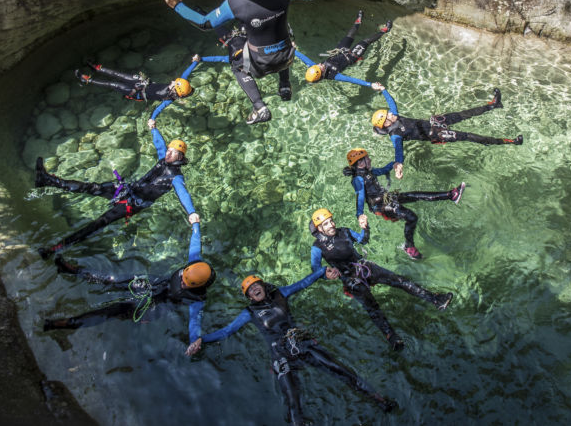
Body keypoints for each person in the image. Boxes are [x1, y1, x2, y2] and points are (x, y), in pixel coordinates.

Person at [188, 270, 396, 425]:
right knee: (292, 396)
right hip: (280, 354)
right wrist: (202, 340)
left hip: (301, 342)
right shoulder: (249, 313)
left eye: (257, 285)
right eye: (251, 290)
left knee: (339, 369)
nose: (255, 289)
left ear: (263, 285)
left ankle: (377, 398)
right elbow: (227, 331)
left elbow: (303, 283)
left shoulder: (280, 294)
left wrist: (323, 272)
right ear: (249, 296)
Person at [164, 0, 317, 124]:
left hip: (260, 64)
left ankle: (259, 107)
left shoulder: (235, 3)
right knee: (283, 37)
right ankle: (284, 86)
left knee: (237, 64)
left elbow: (204, 23)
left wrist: (177, 5)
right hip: (287, 57)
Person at [34, 107, 199, 259]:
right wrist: (153, 128)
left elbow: (182, 193)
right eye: (170, 150)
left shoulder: (176, 177)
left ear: (181, 157)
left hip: (132, 204)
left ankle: (53, 250)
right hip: (127, 190)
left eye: (174, 152)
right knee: (92, 187)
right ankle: (47, 180)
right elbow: (159, 144)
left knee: (99, 223)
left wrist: (191, 212)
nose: (169, 153)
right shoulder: (164, 158)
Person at [42, 222, 214, 346]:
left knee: (111, 310)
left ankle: (65, 324)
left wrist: (195, 339)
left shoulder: (198, 299)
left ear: (197, 286)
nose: (182, 283)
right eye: (183, 278)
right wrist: (196, 225)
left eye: (185, 284)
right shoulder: (195, 265)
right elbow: (195, 246)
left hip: (155, 306)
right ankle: (72, 270)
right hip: (154, 283)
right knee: (113, 281)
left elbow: (194, 321)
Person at [308, 208, 451, 350]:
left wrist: (365, 227)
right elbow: (316, 269)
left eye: (331, 221)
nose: (332, 224)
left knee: (400, 281)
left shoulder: (344, 231)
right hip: (351, 279)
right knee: (372, 307)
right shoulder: (317, 247)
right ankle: (391, 336)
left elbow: (363, 240)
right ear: (319, 228)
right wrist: (325, 275)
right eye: (326, 224)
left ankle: (435, 299)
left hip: (365, 267)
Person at [371, 88, 524, 178]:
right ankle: (510, 141)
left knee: (464, 114)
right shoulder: (395, 135)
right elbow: (398, 149)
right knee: (469, 136)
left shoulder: (395, 115)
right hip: (436, 135)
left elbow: (392, 102)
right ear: (386, 123)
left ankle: (493, 105)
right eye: (388, 115)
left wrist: (383, 90)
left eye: (389, 113)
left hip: (433, 122)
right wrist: (399, 163)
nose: (391, 113)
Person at [344, 148, 465, 261]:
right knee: (411, 217)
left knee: (415, 195)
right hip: (380, 206)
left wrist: (394, 164)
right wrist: (359, 215)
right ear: (360, 163)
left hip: (387, 199)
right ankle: (409, 247)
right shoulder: (358, 180)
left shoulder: (368, 172)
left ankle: (451, 195)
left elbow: (383, 170)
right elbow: (359, 197)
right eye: (367, 158)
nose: (370, 159)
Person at [295, 9, 392, 88]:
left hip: (340, 51)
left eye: (317, 65)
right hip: (351, 56)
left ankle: (359, 19)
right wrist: (370, 84)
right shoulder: (333, 76)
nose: (319, 64)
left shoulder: (313, 67)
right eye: (320, 66)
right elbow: (352, 80)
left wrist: (291, 49)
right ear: (321, 73)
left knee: (350, 35)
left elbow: (303, 57)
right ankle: (385, 30)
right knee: (366, 41)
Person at [74, 54, 228, 103]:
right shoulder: (178, 86)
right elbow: (185, 75)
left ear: (175, 89)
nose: (174, 80)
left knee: (113, 84)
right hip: (143, 83)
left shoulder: (166, 98)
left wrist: (152, 121)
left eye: (175, 83)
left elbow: (159, 108)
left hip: (137, 92)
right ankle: (95, 67)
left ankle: (87, 80)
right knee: (118, 74)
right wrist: (195, 62)